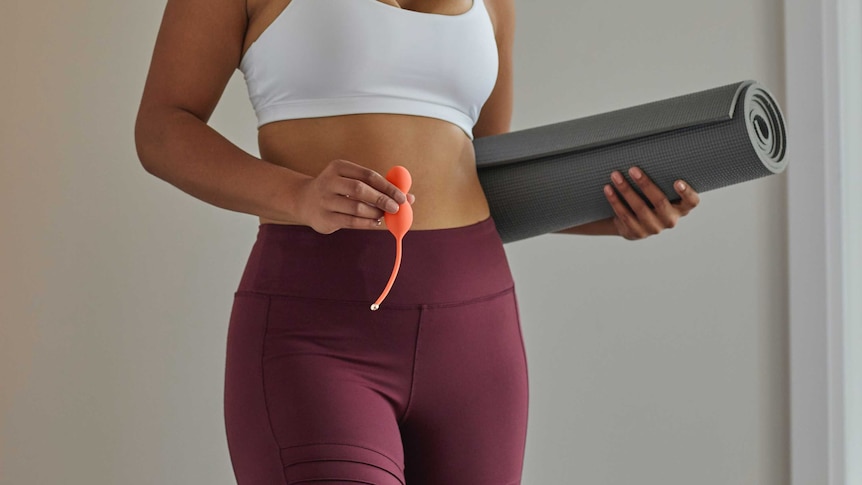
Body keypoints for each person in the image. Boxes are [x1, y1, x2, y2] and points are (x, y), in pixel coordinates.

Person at [134, 0, 701, 483]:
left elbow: (488, 174)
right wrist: (298, 196)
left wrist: (609, 214)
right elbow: (162, 127)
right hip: (317, 336)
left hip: (479, 340)